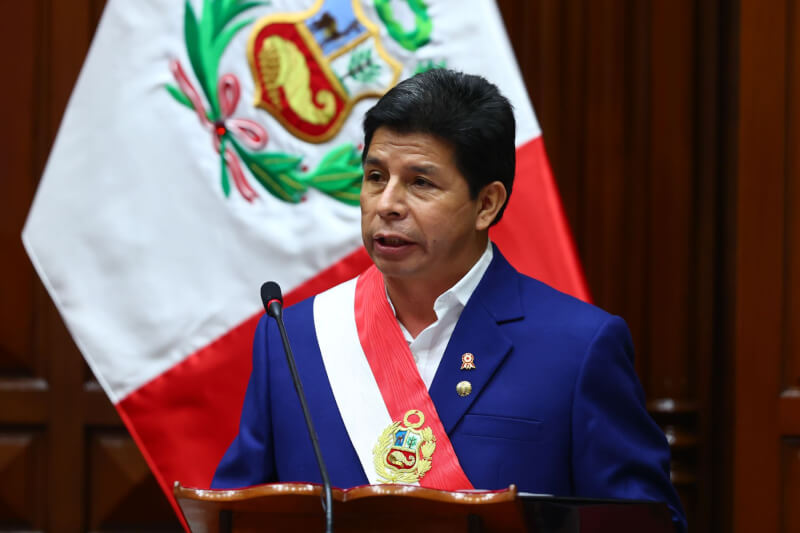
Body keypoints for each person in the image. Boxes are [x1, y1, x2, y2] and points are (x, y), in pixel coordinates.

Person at [212, 69, 687, 531]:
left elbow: (640, 523)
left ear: (486, 204)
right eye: (375, 176)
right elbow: (236, 515)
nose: (387, 204)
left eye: (420, 182)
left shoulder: (578, 347)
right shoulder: (294, 338)